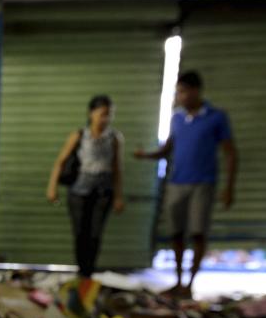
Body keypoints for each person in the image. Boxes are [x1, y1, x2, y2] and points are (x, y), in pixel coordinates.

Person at [134, 70, 238, 297]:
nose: (179, 96)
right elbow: (167, 149)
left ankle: (190, 284)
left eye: (182, 91)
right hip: (176, 183)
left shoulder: (216, 117)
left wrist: (228, 188)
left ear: (195, 90)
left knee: (198, 233)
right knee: (176, 234)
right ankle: (179, 281)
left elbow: (230, 153)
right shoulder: (177, 118)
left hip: (203, 184)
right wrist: (146, 155)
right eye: (177, 92)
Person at [47, 95, 125, 279]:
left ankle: (88, 273)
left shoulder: (115, 138)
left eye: (110, 114)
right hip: (79, 192)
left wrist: (119, 196)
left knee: (95, 235)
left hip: (103, 193)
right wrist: (52, 187)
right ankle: (82, 272)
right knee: (81, 234)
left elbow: (117, 169)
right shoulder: (79, 135)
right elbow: (60, 161)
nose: (106, 118)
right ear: (91, 113)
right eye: (102, 114)